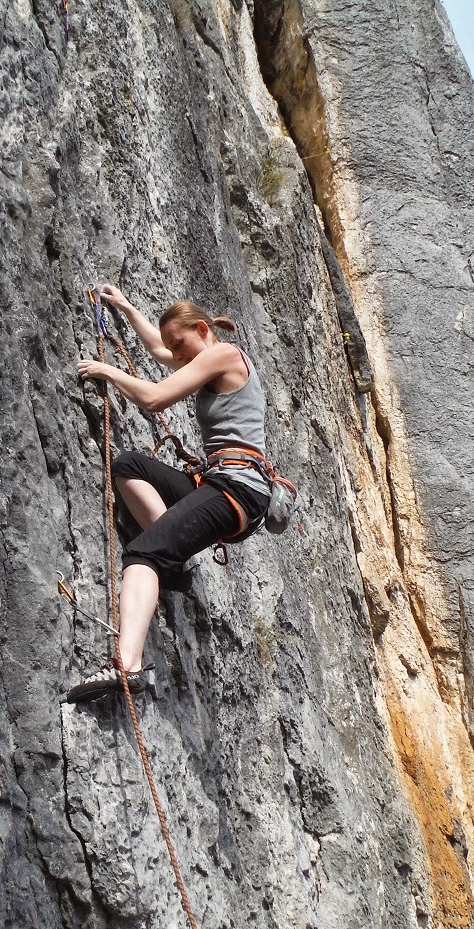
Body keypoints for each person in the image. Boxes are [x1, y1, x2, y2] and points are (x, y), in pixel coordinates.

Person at [67, 284, 272, 702]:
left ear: (202, 329)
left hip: (237, 490)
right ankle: (173, 566)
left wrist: (106, 370)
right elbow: (161, 351)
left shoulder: (225, 354)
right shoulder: (204, 356)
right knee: (129, 466)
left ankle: (127, 665)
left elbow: (156, 398)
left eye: (181, 344)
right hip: (219, 484)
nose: (176, 356)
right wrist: (125, 306)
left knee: (143, 553)